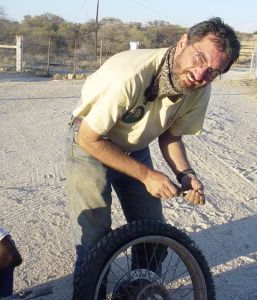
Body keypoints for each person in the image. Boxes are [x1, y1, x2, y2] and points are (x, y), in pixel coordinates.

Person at [66, 17, 241, 284]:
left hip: (133, 147)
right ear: (183, 42)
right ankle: (91, 291)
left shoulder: (199, 88)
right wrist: (147, 176)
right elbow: (90, 139)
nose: (201, 75)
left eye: (214, 72)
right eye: (199, 59)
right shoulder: (128, 75)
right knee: (95, 242)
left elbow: (171, 136)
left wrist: (186, 174)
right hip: (89, 143)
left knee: (154, 233)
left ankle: (141, 288)